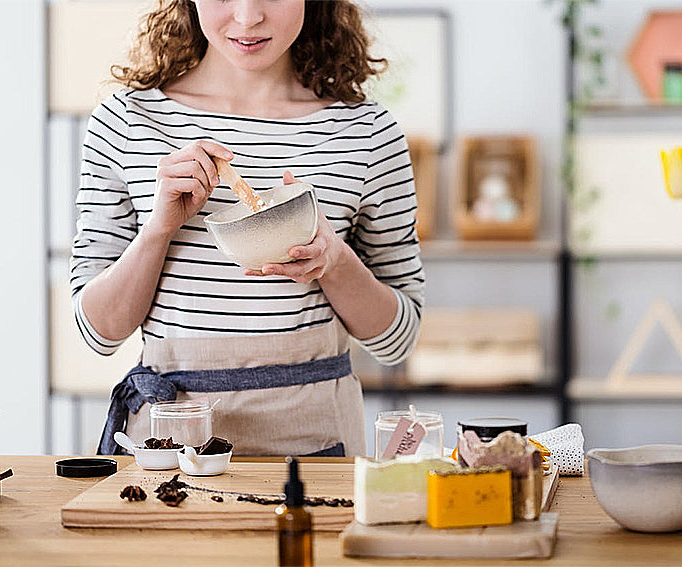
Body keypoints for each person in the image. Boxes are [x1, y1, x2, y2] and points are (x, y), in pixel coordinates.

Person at [70, 0, 424, 457]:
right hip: (172, 442)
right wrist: (158, 231)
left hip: (318, 442)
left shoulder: (368, 132)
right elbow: (99, 331)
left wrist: (333, 261)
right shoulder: (126, 123)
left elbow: (398, 339)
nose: (247, 16)